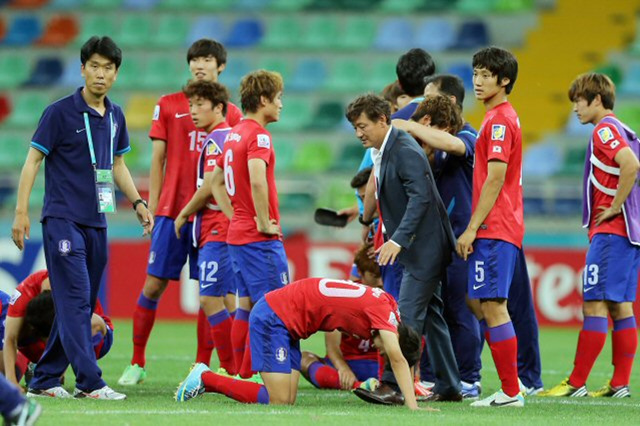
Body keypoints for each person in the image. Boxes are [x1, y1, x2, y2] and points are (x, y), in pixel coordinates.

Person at [11, 36, 152, 400]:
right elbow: (32, 161)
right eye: (94, 66)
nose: (100, 74)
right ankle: (90, 382)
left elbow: (117, 165)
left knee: (81, 304)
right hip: (62, 220)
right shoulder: (58, 112)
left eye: (108, 68)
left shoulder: (116, 115)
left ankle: (44, 380)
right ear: (83, 69)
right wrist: (22, 211)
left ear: (116, 74)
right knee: (75, 299)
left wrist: (137, 201)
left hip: (97, 221)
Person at [119, 38, 243, 386]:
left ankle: (202, 365)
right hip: (173, 210)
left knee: (213, 291)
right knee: (154, 284)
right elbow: (158, 159)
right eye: (194, 59)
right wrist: (156, 208)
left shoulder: (228, 112)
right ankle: (136, 361)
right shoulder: (170, 105)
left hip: (211, 217)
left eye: (207, 59)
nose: (199, 65)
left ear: (220, 67)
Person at [346, 94, 462, 405]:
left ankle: (392, 385)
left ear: (382, 120)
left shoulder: (405, 149)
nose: (358, 132)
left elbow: (421, 198)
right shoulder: (384, 149)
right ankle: (450, 384)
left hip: (424, 248)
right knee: (433, 316)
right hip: (419, 246)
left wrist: (397, 239)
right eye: (355, 127)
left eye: (363, 126)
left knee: (405, 316)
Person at [175, 277, 428, 411]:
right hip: (275, 317)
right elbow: (397, 358)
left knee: (288, 399)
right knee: (279, 400)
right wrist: (412, 407)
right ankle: (206, 378)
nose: (379, 350)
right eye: (384, 346)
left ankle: (212, 378)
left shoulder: (389, 305)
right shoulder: (384, 316)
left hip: (290, 322)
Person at [542, 73, 640, 398]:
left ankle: (576, 383)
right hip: (629, 233)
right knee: (621, 306)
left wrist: (614, 207)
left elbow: (630, 165)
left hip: (612, 232)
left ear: (596, 100)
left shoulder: (605, 129)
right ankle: (619, 385)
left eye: (578, 101)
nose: (574, 109)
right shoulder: (626, 129)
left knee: (594, 304)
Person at [393, 88, 482, 398]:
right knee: (437, 313)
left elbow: (455, 145)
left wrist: (411, 126)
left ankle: (470, 377)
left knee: (461, 311)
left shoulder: (469, 135)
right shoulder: (431, 146)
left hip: (461, 239)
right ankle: (443, 380)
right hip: (437, 241)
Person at [456, 46, 528, 408]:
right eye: (476, 74)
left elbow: (495, 177)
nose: (479, 81)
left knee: (494, 306)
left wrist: (471, 228)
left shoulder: (499, 121)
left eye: (486, 75)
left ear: (505, 80)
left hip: (495, 226)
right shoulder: (500, 118)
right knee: (486, 303)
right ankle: (512, 388)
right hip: (502, 226)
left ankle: (511, 391)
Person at [211, 70, 289, 379]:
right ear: (263, 100)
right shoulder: (258, 135)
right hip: (258, 238)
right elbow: (257, 179)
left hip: (237, 236)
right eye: (278, 98)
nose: (281, 104)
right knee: (276, 306)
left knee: (245, 305)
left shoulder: (232, 134)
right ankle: (264, 372)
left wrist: (237, 216)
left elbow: (215, 182)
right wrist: (260, 220)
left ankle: (241, 373)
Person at [172, 80, 236, 375]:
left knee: (211, 298)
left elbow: (211, 185)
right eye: (190, 105)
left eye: (200, 105)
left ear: (219, 108)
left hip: (218, 229)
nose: (193, 112)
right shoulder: (231, 138)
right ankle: (244, 365)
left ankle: (230, 367)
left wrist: (184, 213)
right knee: (231, 300)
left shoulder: (216, 141)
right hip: (225, 229)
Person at [2, 270, 114, 388]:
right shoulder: (22, 297)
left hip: (96, 341)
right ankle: (38, 369)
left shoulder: (72, 288)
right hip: (35, 340)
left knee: (84, 324)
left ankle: (84, 382)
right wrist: (11, 382)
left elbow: (95, 325)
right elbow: (10, 338)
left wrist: (58, 371)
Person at [300, 243, 383, 390]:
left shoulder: (391, 295)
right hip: (348, 363)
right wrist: (343, 368)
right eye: (374, 276)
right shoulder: (344, 296)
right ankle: (360, 385)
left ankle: (354, 385)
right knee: (302, 358)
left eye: (382, 276)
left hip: (379, 363)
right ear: (361, 274)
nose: (380, 283)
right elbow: (332, 347)